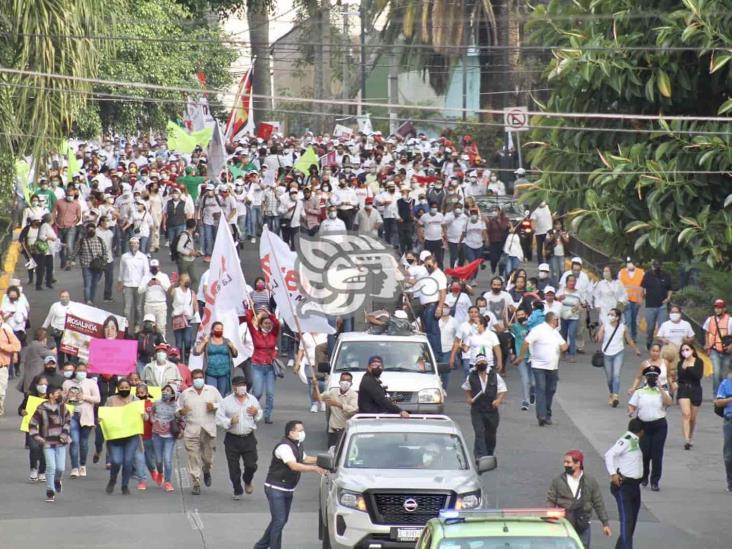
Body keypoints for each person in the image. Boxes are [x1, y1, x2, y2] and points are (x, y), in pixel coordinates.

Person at [254, 420, 326, 549]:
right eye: (300, 431)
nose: (303, 433)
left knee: (280, 520)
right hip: (275, 488)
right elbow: (293, 465)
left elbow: (304, 458)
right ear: (291, 432)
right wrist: (315, 468)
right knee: (279, 521)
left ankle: (260, 546)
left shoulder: (297, 444)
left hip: (288, 488)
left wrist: (325, 459)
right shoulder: (284, 447)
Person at [546, 450, 611, 548]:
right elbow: (550, 500)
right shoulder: (558, 481)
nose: (565, 465)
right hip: (564, 523)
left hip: (583, 524)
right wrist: (550, 519)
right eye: (564, 462)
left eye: (568, 462)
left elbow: (598, 502)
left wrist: (605, 523)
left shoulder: (590, 481)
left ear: (578, 463)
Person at [513, 312, 568, 426]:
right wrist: (521, 357)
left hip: (553, 366)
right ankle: (541, 415)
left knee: (551, 390)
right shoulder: (538, 330)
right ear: (552, 320)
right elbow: (526, 342)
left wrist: (564, 347)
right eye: (557, 319)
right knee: (541, 389)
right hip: (538, 366)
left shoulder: (555, 333)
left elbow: (563, 346)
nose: (558, 322)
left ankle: (547, 413)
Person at [216, 376, 263, 499]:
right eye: (239, 385)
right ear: (234, 387)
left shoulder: (252, 399)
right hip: (232, 438)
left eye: (243, 384)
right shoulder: (226, 401)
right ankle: (237, 489)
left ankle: (247, 480)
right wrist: (230, 421)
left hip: (248, 438)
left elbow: (259, 414)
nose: (242, 387)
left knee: (251, 465)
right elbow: (219, 419)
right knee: (233, 468)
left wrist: (256, 413)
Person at [177, 369, 223, 495]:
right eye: (196, 378)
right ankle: (196, 481)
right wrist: (181, 412)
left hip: (208, 430)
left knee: (208, 459)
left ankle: (206, 470)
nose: (198, 380)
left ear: (204, 378)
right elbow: (178, 409)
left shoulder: (212, 391)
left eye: (200, 377)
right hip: (192, 430)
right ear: (192, 380)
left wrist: (214, 406)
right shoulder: (186, 393)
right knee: (193, 456)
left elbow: (223, 405)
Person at [628, 365, 672, 491]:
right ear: (646, 378)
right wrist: (631, 411)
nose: (652, 378)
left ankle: (655, 480)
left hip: (659, 425)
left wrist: (660, 388)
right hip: (644, 426)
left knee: (657, 454)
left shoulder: (663, 391)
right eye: (649, 376)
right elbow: (632, 405)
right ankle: (644, 476)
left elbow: (668, 403)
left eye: (654, 376)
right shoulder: (640, 391)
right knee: (645, 453)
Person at [604, 418, 645, 549]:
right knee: (626, 522)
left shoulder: (636, 441)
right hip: (624, 487)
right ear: (641, 431)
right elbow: (609, 454)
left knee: (631, 523)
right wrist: (613, 473)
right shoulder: (627, 440)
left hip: (634, 486)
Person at [28, 384, 71, 502]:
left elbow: (68, 421)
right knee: (51, 466)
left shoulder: (63, 407)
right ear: (51, 395)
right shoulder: (41, 408)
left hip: (61, 441)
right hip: (47, 442)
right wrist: (37, 437)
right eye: (57, 393)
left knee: (60, 468)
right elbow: (32, 424)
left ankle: (57, 480)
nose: (60, 395)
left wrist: (65, 434)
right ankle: (50, 490)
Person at [594, 308, 641, 407]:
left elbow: (629, 340)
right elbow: (598, 338)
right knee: (609, 378)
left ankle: (615, 396)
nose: (610, 316)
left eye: (612, 315)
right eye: (609, 314)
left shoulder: (623, 328)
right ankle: (611, 393)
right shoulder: (605, 326)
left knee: (616, 375)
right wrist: (598, 334)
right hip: (606, 353)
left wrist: (636, 349)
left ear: (617, 317)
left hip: (618, 353)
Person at [463, 354, 507, 459]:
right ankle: (480, 456)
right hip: (477, 409)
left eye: (483, 363)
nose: (481, 365)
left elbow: (502, 390)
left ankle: (489, 453)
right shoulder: (471, 376)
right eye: (479, 363)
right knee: (479, 432)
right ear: (476, 364)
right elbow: (467, 388)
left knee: (491, 434)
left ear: (487, 364)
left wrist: (498, 400)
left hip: (491, 410)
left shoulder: (494, 376)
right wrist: (469, 398)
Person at [63, 362, 100, 478]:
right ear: (75, 371)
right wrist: (68, 396)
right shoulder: (67, 383)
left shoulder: (91, 383)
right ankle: (74, 467)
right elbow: (62, 398)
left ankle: (82, 465)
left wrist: (84, 397)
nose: (81, 373)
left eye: (83, 371)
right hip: (72, 415)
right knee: (74, 441)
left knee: (84, 442)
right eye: (79, 370)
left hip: (86, 416)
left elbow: (97, 399)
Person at [103, 378, 139, 495]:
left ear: (130, 388)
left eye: (126, 388)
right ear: (118, 388)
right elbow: (104, 415)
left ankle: (125, 485)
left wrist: (144, 416)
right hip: (115, 436)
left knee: (128, 461)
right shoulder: (110, 400)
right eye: (122, 388)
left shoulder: (135, 400)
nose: (124, 390)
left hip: (131, 435)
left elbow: (144, 417)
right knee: (116, 461)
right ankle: (112, 479)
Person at [245, 307, 280, 424]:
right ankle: (250, 410)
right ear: (260, 325)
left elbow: (277, 324)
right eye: (265, 323)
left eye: (269, 323)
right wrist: (251, 309)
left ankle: (267, 415)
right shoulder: (255, 334)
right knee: (258, 392)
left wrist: (269, 314)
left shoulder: (273, 335)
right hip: (257, 366)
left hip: (270, 367)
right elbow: (248, 321)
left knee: (270, 393)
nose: (268, 325)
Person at [411, 255, 447, 360]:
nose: (427, 267)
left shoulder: (439, 275)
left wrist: (439, 307)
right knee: (427, 331)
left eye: (429, 265)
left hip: (433, 305)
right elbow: (418, 283)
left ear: (435, 264)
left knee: (433, 331)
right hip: (426, 306)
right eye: (426, 265)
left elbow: (443, 292)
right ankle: (430, 353)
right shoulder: (428, 274)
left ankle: (436, 355)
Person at [193, 321, 238, 397]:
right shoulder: (207, 341)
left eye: (221, 329)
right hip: (211, 373)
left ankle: (220, 408)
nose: (219, 330)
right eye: (217, 328)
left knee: (222, 395)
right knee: (211, 394)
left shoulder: (226, 341)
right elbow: (196, 352)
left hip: (224, 373)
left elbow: (235, 354)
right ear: (212, 330)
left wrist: (232, 347)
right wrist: (204, 342)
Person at [150, 383, 180, 492]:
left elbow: (181, 418)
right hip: (157, 434)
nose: (165, 392)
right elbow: (151, 413)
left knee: (167, 459)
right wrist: (153, 420)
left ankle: (168, 482)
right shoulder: (157, 403)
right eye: (164, 390)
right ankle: (160, 473)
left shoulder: (176, 406)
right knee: (158, 460)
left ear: (173, 393)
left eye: (168, 390)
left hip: (169, 436)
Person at [70, 222, 108, 305]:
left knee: (90, 284)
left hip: (89, 265)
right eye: (90, 229)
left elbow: (75, 252)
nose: (91, 231)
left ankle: (89, 301)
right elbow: (105, 252)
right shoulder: (99, 240)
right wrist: (104, 261)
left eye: (91, 229)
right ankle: (89, 300)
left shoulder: (83, 240)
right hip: (91, 266)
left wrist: (71, 260)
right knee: (91, 284)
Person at [117, 237, 149, 333]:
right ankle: (126, 327)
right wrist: (120, 282)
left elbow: (146, 272)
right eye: (131, 243)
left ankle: (137, 325)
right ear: (129, 245)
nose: (133, 245)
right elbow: (121, 271)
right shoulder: (124, 257)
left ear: (139, 245)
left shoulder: (143, 257)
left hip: (139, 286)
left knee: (138, 308)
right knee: (127, 308)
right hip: (127, 285)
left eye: (136, 244)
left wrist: (145, 285)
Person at [21, 373, 49, 482]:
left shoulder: (51, 397)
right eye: (41, 384)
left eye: (45, 384)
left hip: (46, 428)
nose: (43, 386)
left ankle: (42, 471)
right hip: (32, 426)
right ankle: (33, 469)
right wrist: (22, 411)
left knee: (44, 450)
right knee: (34, 448)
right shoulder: (30, 397)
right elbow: (21, 408)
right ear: (36, 385)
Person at [675, 343, 704, 450]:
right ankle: (686, 439)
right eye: (683, 350)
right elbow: (680, 377)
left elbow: (698, 376)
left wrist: (688, 368)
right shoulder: (680, 363)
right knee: (686, 414)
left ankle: (691, 436)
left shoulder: (699, 362)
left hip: (695, 389)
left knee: (692, 418)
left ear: (692, 350)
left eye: (687, 349)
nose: (685, 352)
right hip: (683, 389)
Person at [318, 371, 358, 447]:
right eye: (343, 380)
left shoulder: (354, 395)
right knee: (331, 452)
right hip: (333, 430)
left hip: (346, 431)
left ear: (351, 383)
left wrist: (338, 404)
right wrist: (315, 387)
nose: (345, 382)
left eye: (348, 380)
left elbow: (354, 409)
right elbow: (318, 397)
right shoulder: (333, 392)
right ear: (339, 382)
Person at [640, 260, 673, 349]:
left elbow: (670, 288)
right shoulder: (647, 275)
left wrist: (668, 298)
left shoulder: (666, 275)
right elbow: (642, 287)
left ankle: (661, 346)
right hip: (650, 305)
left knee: (662, 326)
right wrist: (642, 295)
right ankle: (649, 340)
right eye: (655, 266)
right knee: (650, 327)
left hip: (662, 305)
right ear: (652, 266)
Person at [703, 298, 732, 395]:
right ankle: (716, 394)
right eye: (716, 307)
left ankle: (722, 393)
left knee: (724, 375)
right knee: (716, 372)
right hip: (714, 350)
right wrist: (707, 344)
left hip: (727, 351)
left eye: (720, 308)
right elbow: (707, 333)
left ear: (724, 309)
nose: (717, 310)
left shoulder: (730, 321)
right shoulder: (710, 320)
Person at [557, 274, 585, 363]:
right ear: (566, 282)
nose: (572, 283)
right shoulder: (561, 291)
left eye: (573, 281)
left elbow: (583, 304)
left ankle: (572, 355)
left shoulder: (578, 292)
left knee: (572, 334)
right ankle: (563, 353)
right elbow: (555, 300)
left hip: (574, 316)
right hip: (563, 315)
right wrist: (559, 299)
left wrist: (580, 307)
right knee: (563, 335)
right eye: (570, 281)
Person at [170, 273, 198, 362]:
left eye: (189, 280)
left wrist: (196, 313)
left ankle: (186, 357)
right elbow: (170, 292)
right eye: (186, 280)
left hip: (188, 319)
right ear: (181, 282)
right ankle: (180, 360)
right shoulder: (176, 291)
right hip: (178, 318)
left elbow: (195, 303)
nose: (188, 282)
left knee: (188, 340)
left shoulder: (191, 292)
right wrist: (172, 285)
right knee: (178, 342)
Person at [138, 259, 171, 334]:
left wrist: (160, 283)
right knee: (149, 327)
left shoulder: (164, 276)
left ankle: (162, 343)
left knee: (161, 327)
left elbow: (169, 290)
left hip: (161, 304)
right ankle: (150, 343)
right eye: (152, 268)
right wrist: (147, 285)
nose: (154, 269)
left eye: (155, 267)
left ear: (159, 267)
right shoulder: (146, 277)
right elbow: (139, 290)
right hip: (149, 304)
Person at [510, 308, 533, 410]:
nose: (520, 316)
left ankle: (533, 391)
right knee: (525, 379)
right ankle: (525, 401)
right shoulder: (515, 326)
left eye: (522, 314)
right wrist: (506, 315)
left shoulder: (531, 325)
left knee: (533, 382)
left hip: (533, 356)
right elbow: (507, 325)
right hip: (521, 357)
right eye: (518, 315)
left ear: (526, 315)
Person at [617, 257, 645, 342]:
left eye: (631, 262)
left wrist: (642, 298)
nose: (630, 263)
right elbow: (618, 286)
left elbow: (643, 287)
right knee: (627, 319)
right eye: (628, 262)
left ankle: (633, 336)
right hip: (625, 300)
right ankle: (628, 337)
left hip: (636, 300)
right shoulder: (621, 273)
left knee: (633, 319)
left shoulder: (641, 273)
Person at [713, 373, 732, 492]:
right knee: (729, 455)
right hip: (730, 421)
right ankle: (730, 480)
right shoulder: (726, 384)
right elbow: (718, 402)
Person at [0, 320, 22, 416]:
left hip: (2, 367)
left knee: (1, 391)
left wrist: (3, 346)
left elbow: (17, 346)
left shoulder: (5, 332)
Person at [176, 218, 202, 288]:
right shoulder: (185, 235)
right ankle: (179, 294)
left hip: (191, 260)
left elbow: (187, 246)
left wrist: (194, 252)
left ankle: (192, 295)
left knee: (195, 279)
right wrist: (191, 253)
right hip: (184, 261)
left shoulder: (189, 235)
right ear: (194, 227)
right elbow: (179, 248)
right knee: (182, 280)